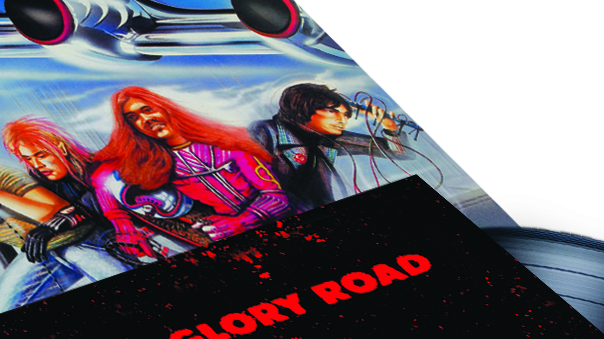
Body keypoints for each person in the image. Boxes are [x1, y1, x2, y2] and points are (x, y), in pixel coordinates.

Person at [95, 85, 289, 256]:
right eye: (133, 118)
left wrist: (242, 222)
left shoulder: (226, 145)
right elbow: (101, 178)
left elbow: (278, 197)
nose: (145, 119)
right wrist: (122, 225)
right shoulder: (156, 162)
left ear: (164, 108)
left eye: (147, 110)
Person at [0, 118, 141, 312]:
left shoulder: (99, 169)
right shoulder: (38, 182)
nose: (37, 164)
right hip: (57, 247)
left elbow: (92, 204)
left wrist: (57, 223)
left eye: (41, 155)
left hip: (104, 243)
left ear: (60, 147)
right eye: (28, 159)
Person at [257, 82, 419, 210]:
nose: (342, 120)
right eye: (332, 111)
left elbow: (401, 153)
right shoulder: (265, 132)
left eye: (346, 115)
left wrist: (390, 128)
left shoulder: (328, 138)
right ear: (303, 107)